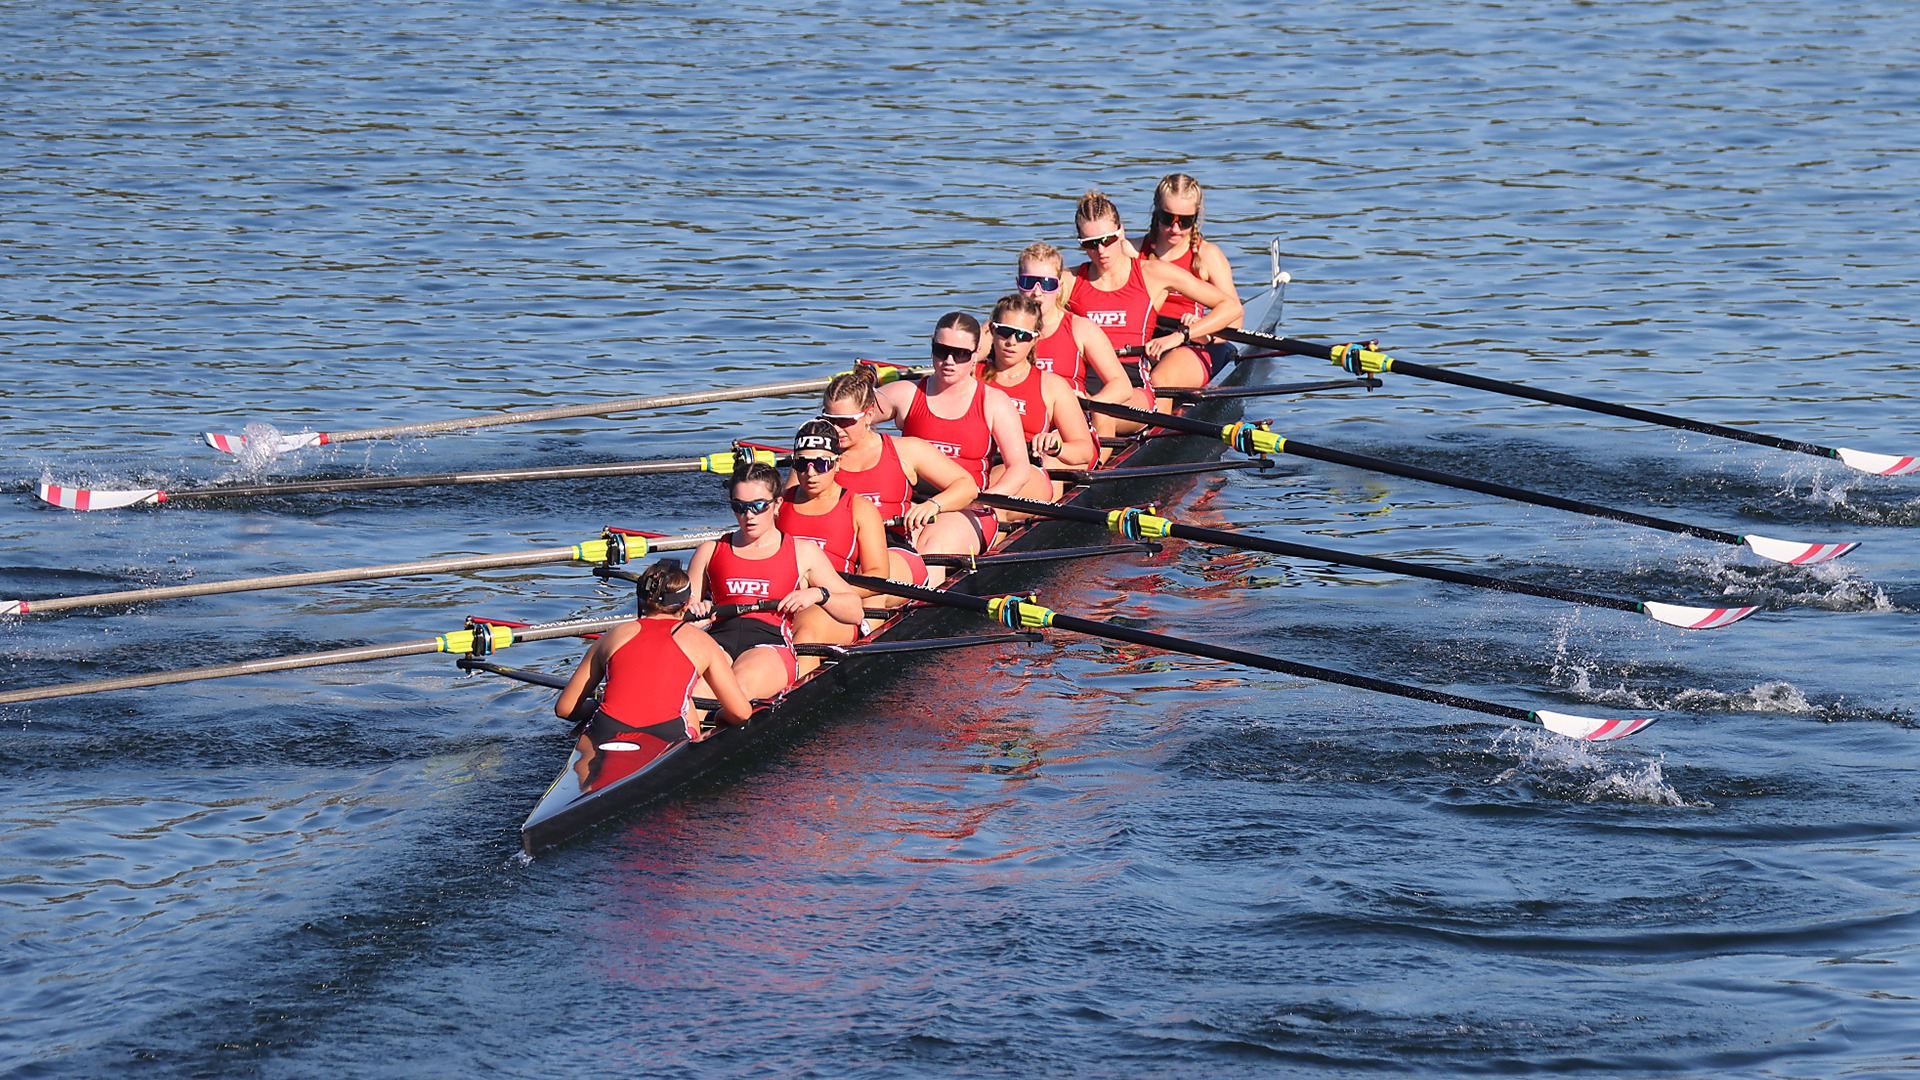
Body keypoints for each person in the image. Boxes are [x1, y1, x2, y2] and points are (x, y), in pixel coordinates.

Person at [553, 558, 752, 792]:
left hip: (605, 727)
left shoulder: (613, 635)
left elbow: (565, 709)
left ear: (640, 601)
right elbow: (741, 713)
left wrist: (598, 705)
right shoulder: (702, 642)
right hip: (667, 731)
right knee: (685, 704)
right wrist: (718, 719)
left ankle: (584, 794)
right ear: (687, 605)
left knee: (586, 790)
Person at [685, 462, 866, 701]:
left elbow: (855, 613)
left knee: (737, 689)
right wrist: (695, 613)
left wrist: (818, 595)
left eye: (759, 506)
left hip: (770, 644)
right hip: (718, 640)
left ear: (777, 504)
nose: (748, 515)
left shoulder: (802, 552)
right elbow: (678, 619)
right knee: (691, 694)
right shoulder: (709, 551)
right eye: (739, 507)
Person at [1060, 189, 1243, 418]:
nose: (1101, 250)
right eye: (1091, 243)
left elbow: (1232, 307)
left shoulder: (1156, 272)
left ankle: (1160, 430)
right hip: (1088, 380)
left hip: (1147, 370)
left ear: (1121, 233)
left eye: (1108, 240)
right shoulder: (1067, 280)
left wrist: (1184, 334)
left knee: (1156, 385)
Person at [868, 312, 1041, 551]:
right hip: (912, 502)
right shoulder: (905, 394)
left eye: (960, 354)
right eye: (942, 350)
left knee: (931, 547)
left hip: (968, 507)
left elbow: (1019, 470)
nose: (949, 360)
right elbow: (853, 418)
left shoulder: (994, 402)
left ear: (975, 354)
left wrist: (981, 501)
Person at [818, 366, 980, 580]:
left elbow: (967, 486)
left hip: (891, 548)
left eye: (846, 421)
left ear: (869, 415)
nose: (836, 429)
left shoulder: (906, 450)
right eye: (830, 420)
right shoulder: (815, 457)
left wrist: (932, 505)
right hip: (837, 546)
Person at [776, 418, 891, 669]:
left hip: (832, 606)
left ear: (837, 464)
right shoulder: (776, 504)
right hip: (780, 598)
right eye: (802, 464)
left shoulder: (859, 508)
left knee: (804, 636)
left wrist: (822, 594)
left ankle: (791, 701)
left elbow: (878, 577)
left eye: (821, 464)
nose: (811, 473)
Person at [1013, 242, 1141, 444]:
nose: (1037, 293)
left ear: (1059, 286)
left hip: (1069, 422)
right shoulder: (1001, 329)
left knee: (1103, 414)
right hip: (1019, 419)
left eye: (1047, 284)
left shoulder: (1080, 328)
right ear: (1018, 283)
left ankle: (1100, 468)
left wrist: (1085, 404)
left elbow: (1122, 386)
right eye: (1029, 282)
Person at [979, 291, 1096, 502]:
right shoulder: (970, 374)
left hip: (1026, 471)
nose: (1012, 342)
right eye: (1005, 332)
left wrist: (1057, 446)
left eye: (1022, 335)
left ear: (1035, 340)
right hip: (974, 465)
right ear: (992, 331)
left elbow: (1084, 451)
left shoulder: (1052, 386)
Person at [1138, 173, 1242, 392]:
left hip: (1190, 344)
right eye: (1168, 219)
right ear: (1156, 212)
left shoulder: (1208, 255)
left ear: (1197, 217)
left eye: (1185, 221)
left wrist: (1199, 330)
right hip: (1142, 340)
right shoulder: (1133, 250)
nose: (1175, 229)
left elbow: (1235, 321)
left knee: (1157, 383)